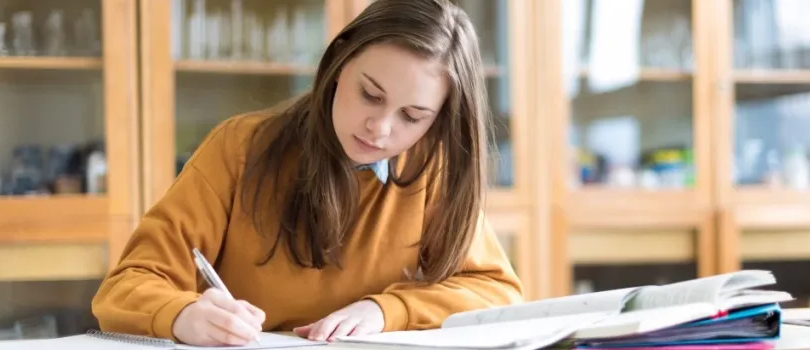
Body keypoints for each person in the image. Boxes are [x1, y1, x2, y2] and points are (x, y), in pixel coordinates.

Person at [91, 0, 523, 346]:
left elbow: (496, 292)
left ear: (439, 119)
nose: (381, 128)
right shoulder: (239, 148)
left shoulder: (433, 170)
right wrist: (182, 315)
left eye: (413, 115)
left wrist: (385, 311)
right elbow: (127, 285)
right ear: (339, 65)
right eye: (370, 94)